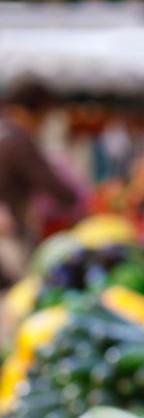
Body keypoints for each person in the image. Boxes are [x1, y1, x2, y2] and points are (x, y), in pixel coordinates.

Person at [0, 83, 77, 284]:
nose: (43, 124)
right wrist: (77, 199)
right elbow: (52, 184)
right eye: (44, 116)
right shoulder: (18, 141)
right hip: (7, 235)